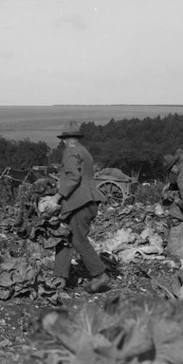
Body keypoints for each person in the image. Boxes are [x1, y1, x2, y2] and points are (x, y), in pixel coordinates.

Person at [46, 121, 110, 293]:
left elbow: (73, 177)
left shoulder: (70, 152)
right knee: (64, 236)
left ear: (65, 139)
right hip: (87, 201)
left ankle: (99, 275)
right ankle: (60, 277)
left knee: (78, 239)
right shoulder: (84, 151)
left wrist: (57, 197)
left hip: (78, 203)